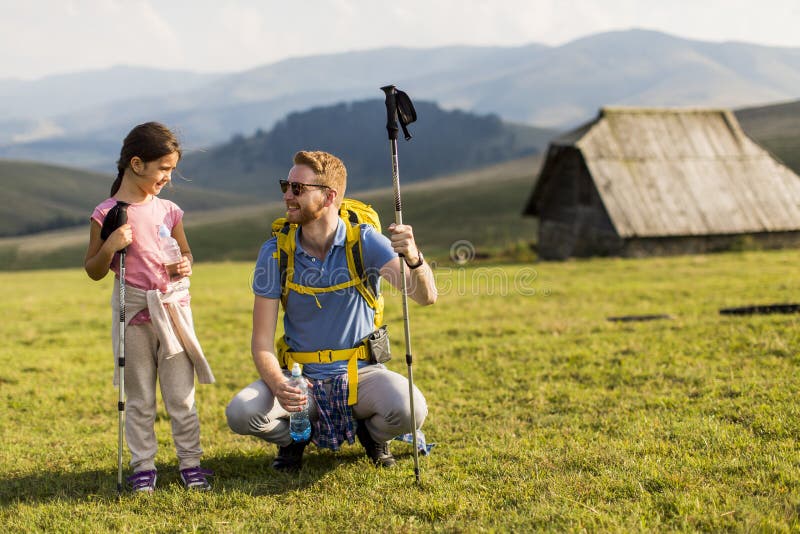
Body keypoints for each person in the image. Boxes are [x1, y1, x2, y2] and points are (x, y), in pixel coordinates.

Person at [226, 150, 437, 472]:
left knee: (412, 410)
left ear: (329, 197)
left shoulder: (365, 242)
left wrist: (414, 257)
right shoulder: (275, 253)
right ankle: (294, 440)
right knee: (241, 413)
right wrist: (279, 384)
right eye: (286, 186)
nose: (287, 195)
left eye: (297, 188)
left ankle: (372, 436)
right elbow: (261, 344)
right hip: (300, 378)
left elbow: (425, 296)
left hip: (361, 375)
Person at [84, 122, 214, 492]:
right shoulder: (107, 214)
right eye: (164, 168)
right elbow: (93, 269)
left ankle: (191, 463)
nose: (168, 177)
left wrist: (185, 263)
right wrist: (111, 245)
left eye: (172, 169)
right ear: (137, 164)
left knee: (181, 397)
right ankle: (143, 467)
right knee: (140, 398)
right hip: (134, 320)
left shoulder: (170, 211)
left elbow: (185, 253)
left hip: (172, 315)